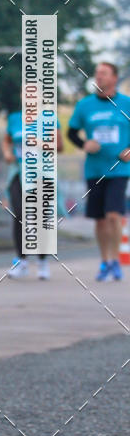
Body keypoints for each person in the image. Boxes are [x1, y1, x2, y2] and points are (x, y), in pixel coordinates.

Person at [68, 61, 130, 282]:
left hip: (119, 169)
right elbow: (72, 133)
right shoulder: (85, 105)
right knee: (100, 220)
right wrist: (84, 144)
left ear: (114, 78)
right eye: (97, 73)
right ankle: (104, 261)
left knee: (114, 215)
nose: (99, 77)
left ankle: (115, 261)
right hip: (94, 170)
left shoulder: (126, 103)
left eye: (104, 74)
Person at [2, 104, 63, 280]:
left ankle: (43, 261)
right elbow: (6, 140)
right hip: (18, 172)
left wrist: (40, 143)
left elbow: (59, 146)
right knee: (19, 213)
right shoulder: (14, 118)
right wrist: (7, 152)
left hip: (41, 173)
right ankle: (21, 261)